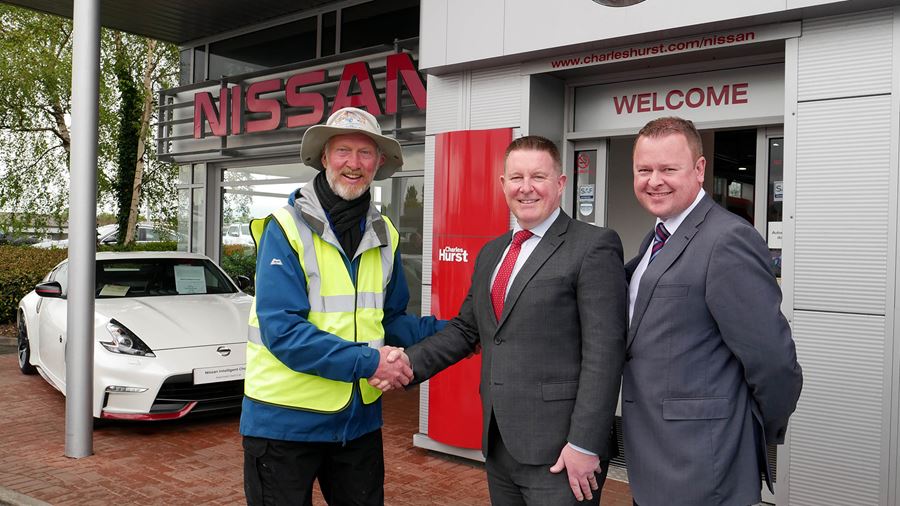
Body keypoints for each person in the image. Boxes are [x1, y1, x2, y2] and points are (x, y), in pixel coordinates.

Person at [379, 135, 627, 505]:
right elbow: (467, 329)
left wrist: (584, 444)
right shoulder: (493, 252)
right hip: (500, 445)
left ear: (560, 183)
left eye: (538, 177)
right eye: (516, 178)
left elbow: (604, 354)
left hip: (561, 453)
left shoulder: (593, 246)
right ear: (503, 184)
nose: (526, 188)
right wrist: (409, 364)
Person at [241, 107, 444, 506]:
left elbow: (391, 322)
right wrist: (372, 364)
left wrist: (459, 330)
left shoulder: (384, 233)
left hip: (357, 425)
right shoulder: (284, 229)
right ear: (324, 157)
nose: (354, 164)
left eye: (365, 153)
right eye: (343, 151)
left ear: (380, 162)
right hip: (283, 425)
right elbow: (283, 331)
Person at [624, 116, 803, 506]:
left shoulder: (727, 240)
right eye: (644, 169)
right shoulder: (654, 239)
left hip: (705, 468)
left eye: (668, 168)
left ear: (700, 169)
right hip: (654, 463)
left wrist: (748, 429)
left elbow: (774, 364)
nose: (655, 180)